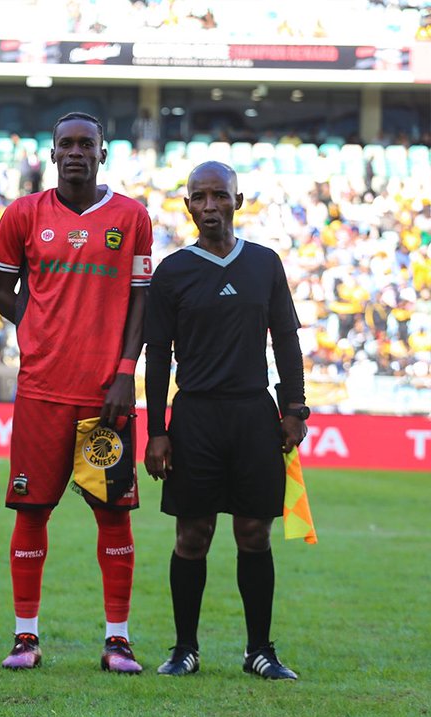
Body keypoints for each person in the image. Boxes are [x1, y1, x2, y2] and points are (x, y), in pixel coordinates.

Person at [0, 112, 153, 673]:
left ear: (102, 153)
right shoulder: (23, 214)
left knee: (114, 515)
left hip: (106, 393)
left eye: (87, 144)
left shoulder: (131, 217)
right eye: (67, 144)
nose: (76, 152)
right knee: (32, 509)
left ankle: (117, 641)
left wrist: (126, 372)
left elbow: (142, 299)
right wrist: (36, 326)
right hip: (42, 390)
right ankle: (25, 637)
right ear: (53, 153)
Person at [144, 161, 307, 680]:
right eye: (200, 197)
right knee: (192, 534)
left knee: (254, 533)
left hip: (254, 414)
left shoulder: (264, 263)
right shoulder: (173, 271)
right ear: (187, 204)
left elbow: (286, 339)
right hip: (195, 415)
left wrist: (294, 408)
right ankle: (184, 650)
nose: (209, 206)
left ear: (238, 201)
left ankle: (260, 650)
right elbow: (157, 355)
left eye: (219, 196)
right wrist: (157, 431)